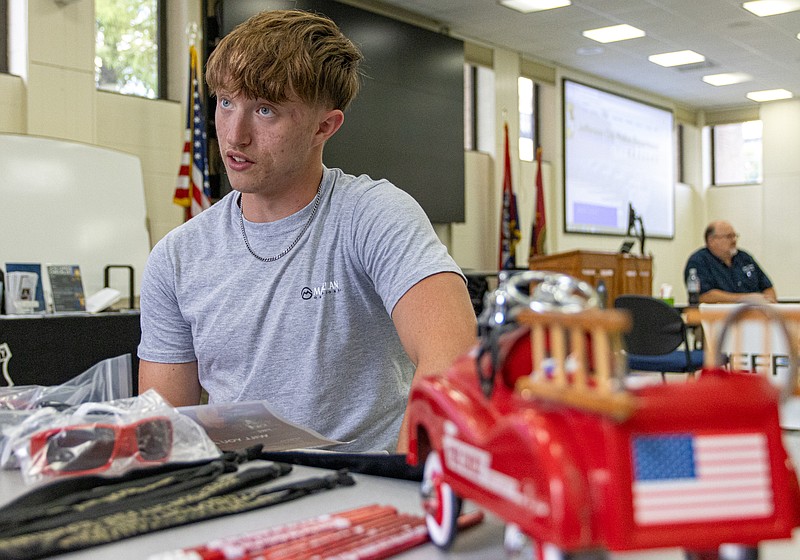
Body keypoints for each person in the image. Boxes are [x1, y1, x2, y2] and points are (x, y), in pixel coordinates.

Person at [137, 9, 477, 453]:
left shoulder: (373, 216)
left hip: (363, 494)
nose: (235, 136)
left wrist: (405, 482)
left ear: (324, 126)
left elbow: (451, 355)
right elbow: (164, 431)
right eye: (225, 102)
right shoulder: (176, 257)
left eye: (265, 110)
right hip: (238, 496)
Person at [684, 220, 776, 304]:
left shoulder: (744, 258)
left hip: (756, 315)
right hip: (718, 316)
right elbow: (704, 296)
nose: (734, 240)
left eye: (735, 236)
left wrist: (769, 303)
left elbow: (767, 287)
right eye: (729, 237)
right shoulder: (698, 261)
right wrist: (745, 299)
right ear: (711, 240)